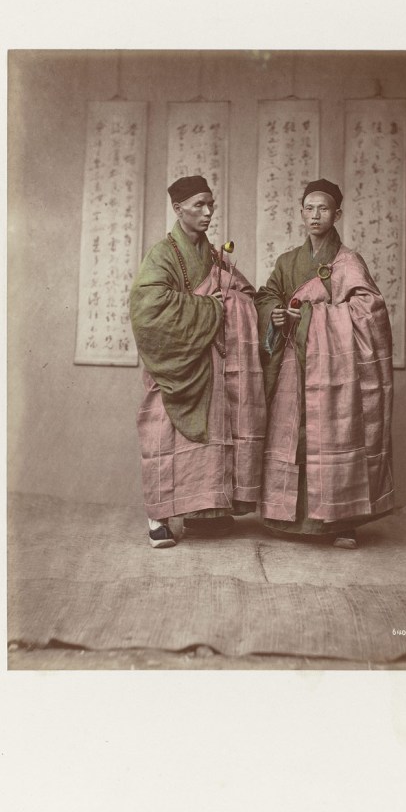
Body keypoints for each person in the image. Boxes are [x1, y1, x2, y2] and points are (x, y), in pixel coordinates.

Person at [254, 178, 394, 549]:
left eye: (324, 209)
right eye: (309, 208)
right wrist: (276, 316)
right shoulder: (287, 262)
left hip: (332, 367)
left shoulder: (347, 262)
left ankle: (341, 520)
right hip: (291, 363)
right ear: (301, 213)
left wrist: (314, 319)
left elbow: (369, 310)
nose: (316, 215)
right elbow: (267, 296)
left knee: (333, 436)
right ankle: (287, 516)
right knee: (291, 435)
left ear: (337, 214)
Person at [129, 175, 266, 548]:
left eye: (211, 205)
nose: (207, 212)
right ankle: (157, 518)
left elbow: (245, 295)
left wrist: (235, 303)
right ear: (178, 209)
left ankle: (202, 515)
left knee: (208, 443)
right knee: (162, 434)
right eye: (198, 205)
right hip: (176, 364)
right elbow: (148, 310)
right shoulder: (162, 255)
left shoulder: (214, 256)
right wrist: (209, 307)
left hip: (213, 365)